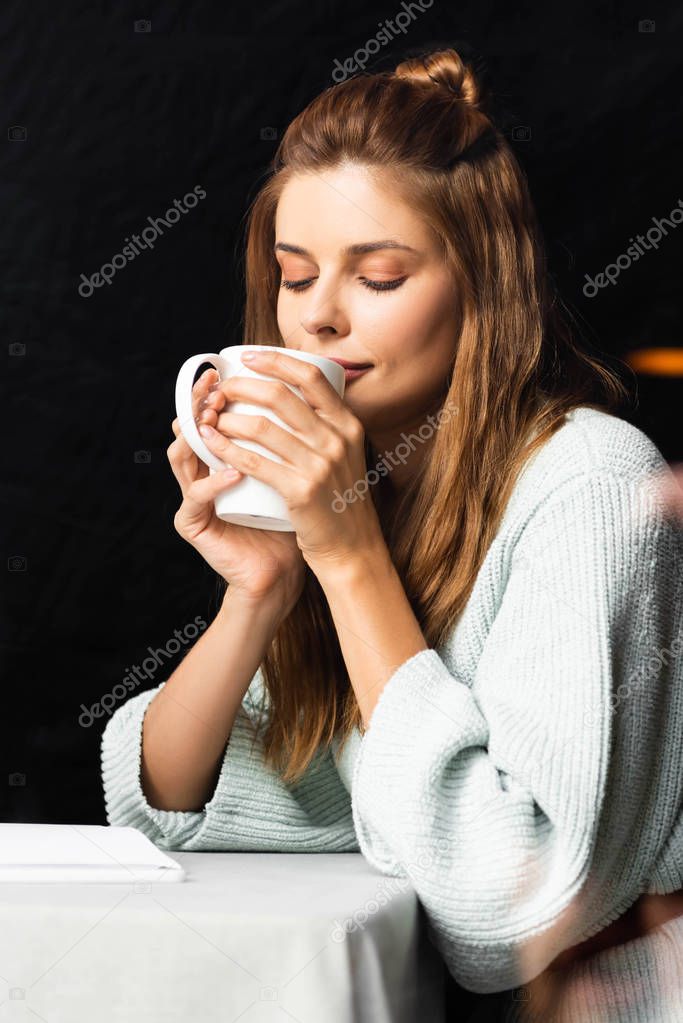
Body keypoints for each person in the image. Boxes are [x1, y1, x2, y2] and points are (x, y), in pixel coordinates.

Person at [101, 46, 683, 1021]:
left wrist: (348, 557)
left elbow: (509, 906)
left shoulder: (589, 482)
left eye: (377, 276)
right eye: (293, 278)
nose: (319, 318)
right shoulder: (368, 497)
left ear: (482, 285)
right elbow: (173, 805)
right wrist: (259, 591)